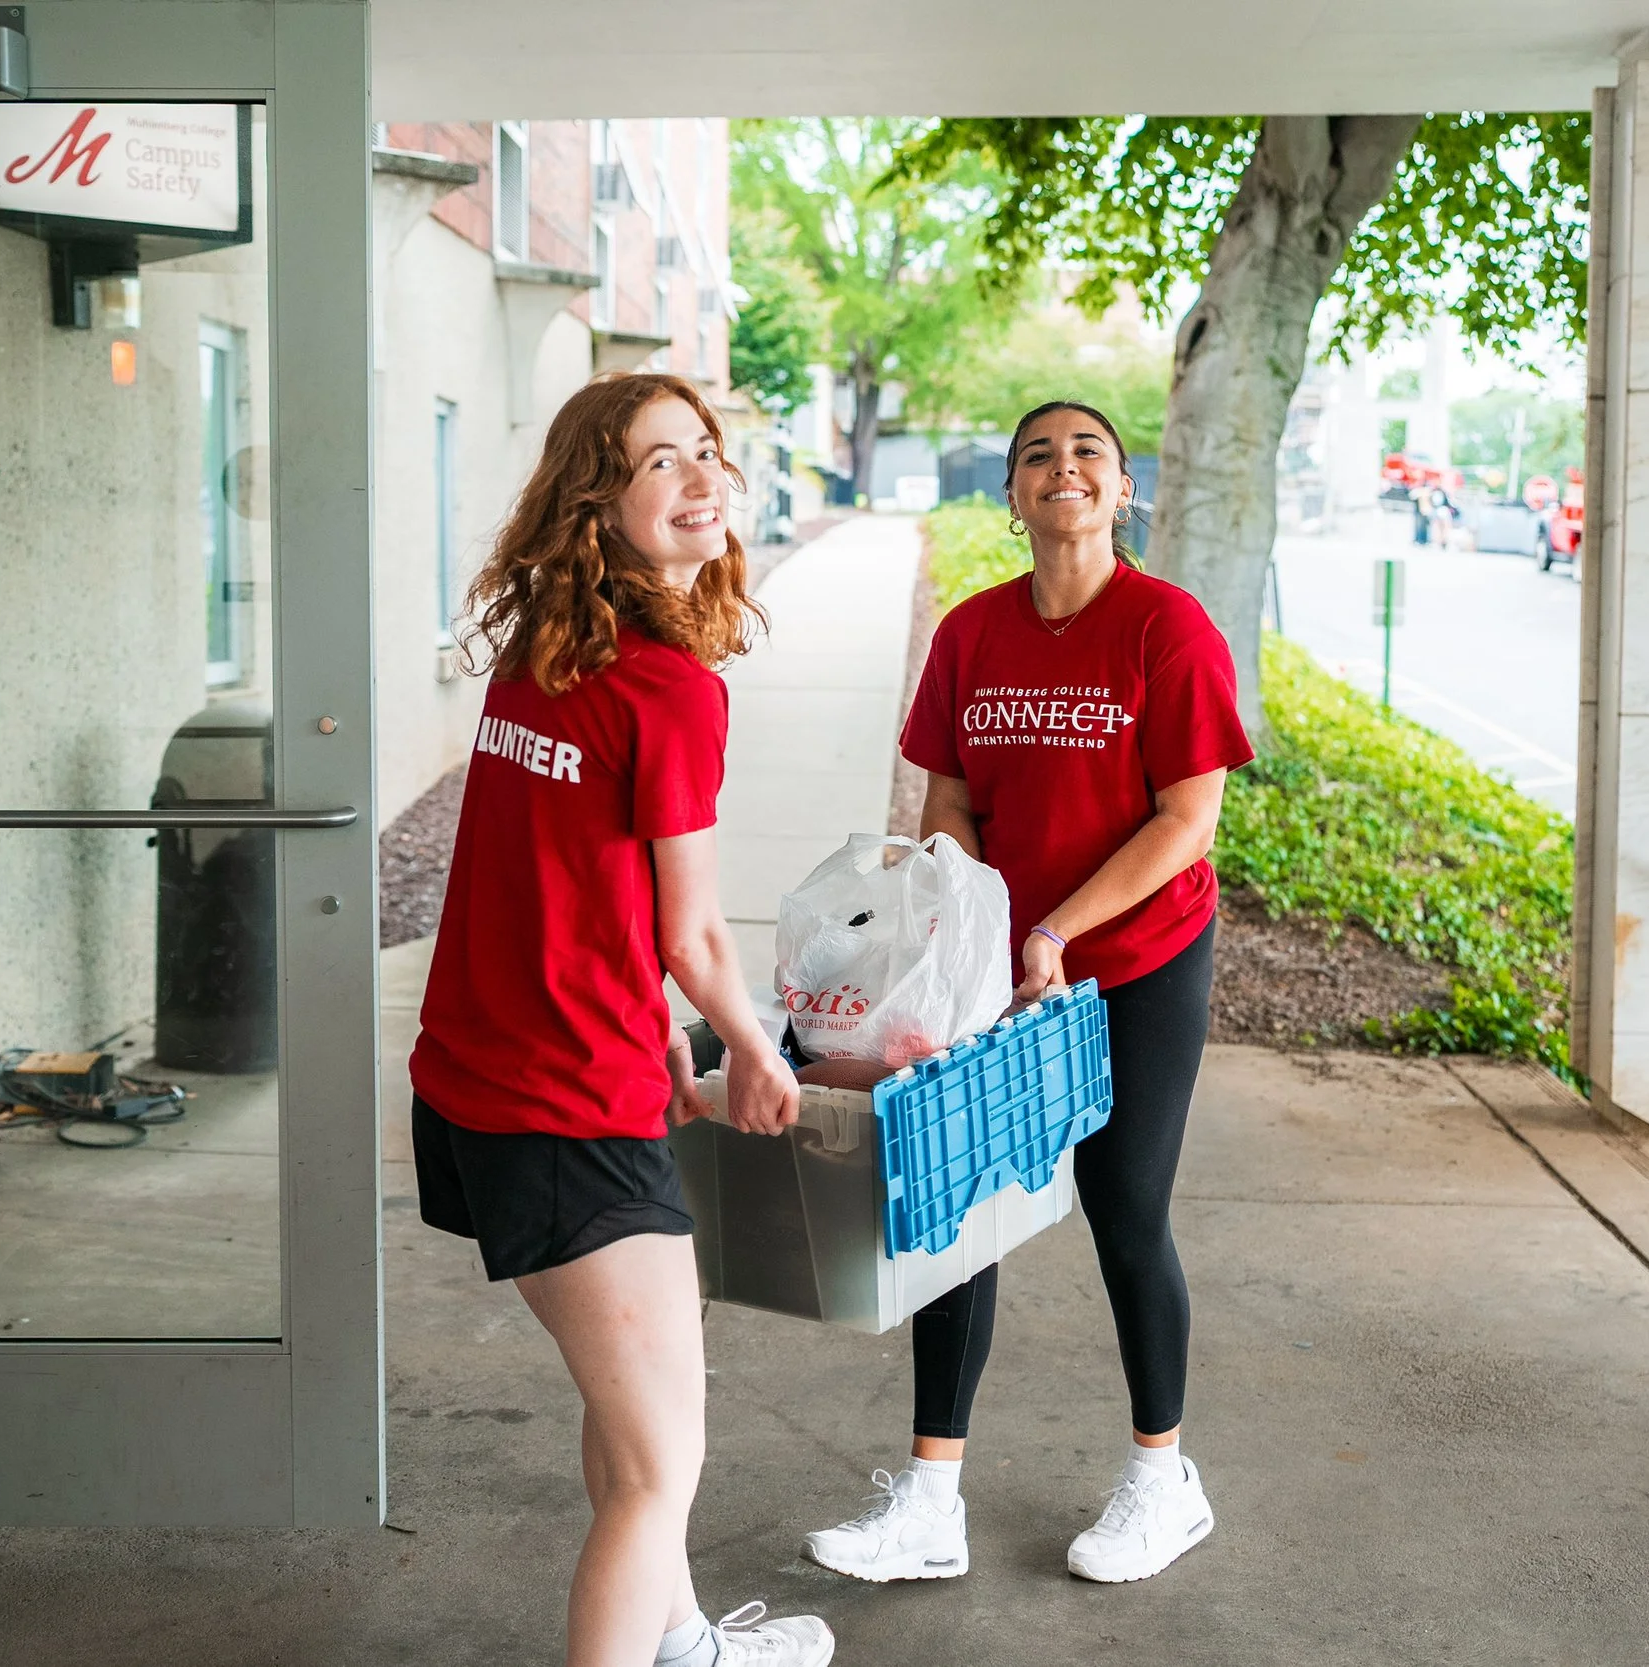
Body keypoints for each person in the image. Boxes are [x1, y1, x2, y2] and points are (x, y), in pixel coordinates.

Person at [411, 373, 835, 1667]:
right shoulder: (662, 687)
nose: (703, 478)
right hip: (566, 1105)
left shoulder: (545, 662)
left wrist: (655, 1024)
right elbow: (692, 933)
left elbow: (569, 893)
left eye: (708, 452)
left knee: (634, 1409)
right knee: (663, 1462)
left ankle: (685, 1638)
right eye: (663, 462)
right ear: (598, 497)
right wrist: (756, 1047)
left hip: (487, 1080)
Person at [802, 400, 1253, 1587]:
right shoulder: (972, 635)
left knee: (1123, 1204)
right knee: (956, 1211)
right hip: (995, 967)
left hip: (1138, 960)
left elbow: (1186, 819)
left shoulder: (1166, 627)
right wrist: (965, 922)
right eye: (1037, 455)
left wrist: (1057, 925)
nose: (1064, 468)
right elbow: (947, 799)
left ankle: (1164, 1478)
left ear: (1120, 490)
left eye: (1087, 453)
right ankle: (931, 1501)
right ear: (1010, 494)